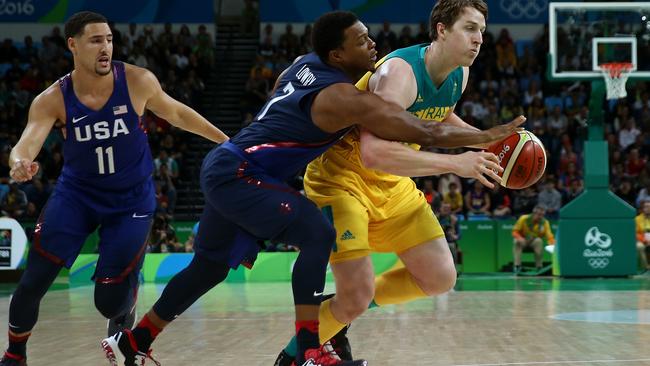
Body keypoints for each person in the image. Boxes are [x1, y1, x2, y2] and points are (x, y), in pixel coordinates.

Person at [102, 10, 523, 366]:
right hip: (243, 173)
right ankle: (309, 349)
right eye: (361, 41)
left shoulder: (303, 65)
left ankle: (133, 341)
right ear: (337, 55)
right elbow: (419, 130)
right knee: (317, 234)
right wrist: (481, 142)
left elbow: (281, 103)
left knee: (209, 268)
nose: (373, 44)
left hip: (234, 165)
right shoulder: (343, 98)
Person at [274, 1, 527, 364]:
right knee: (356, 297)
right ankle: (291, 358)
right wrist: (456, 164)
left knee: (439, 277)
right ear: (441, 30)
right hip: (342, 180)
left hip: (391, 184)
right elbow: (373, 153)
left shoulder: (459, 73)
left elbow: (438, 112)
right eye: (470, 29)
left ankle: (338, 310)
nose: (479, 40)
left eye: (482, 32)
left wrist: (486, 138)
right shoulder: (400, 73)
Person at [0, 11, 228, 366]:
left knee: (109, 302)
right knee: (33, 282)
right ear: (73, 45)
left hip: (131, 201)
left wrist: (226, 142)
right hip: (77, 196)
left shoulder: (137, 81)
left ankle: (126, 308)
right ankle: (14, 355)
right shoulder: (52, 98)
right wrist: (18, 163)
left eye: (108, 39)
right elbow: (27, 142)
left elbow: (178, 114)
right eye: (95, 40)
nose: (105, 47)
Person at [512, 205, 555, 274]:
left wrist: (553, 244)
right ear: (534, 213)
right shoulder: (524, 219)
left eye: (542, 215)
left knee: (539, 241)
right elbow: (515, 231)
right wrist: (520, 238)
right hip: (523, 241)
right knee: (516, 241)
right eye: (539, 215)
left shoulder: (544, 222)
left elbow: (549, 236)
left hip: (534, 242)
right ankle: (517, 266)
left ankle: (539, 267)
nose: (541, 217)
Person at [635, 200, 650, 271]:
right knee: (639, 246)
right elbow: (635, 233)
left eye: (649, 207)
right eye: (646, 207)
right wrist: (644, 240)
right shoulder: (637, 219)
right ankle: (645, 267)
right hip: (642, 240)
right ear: (642, 208)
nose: (648, 208)